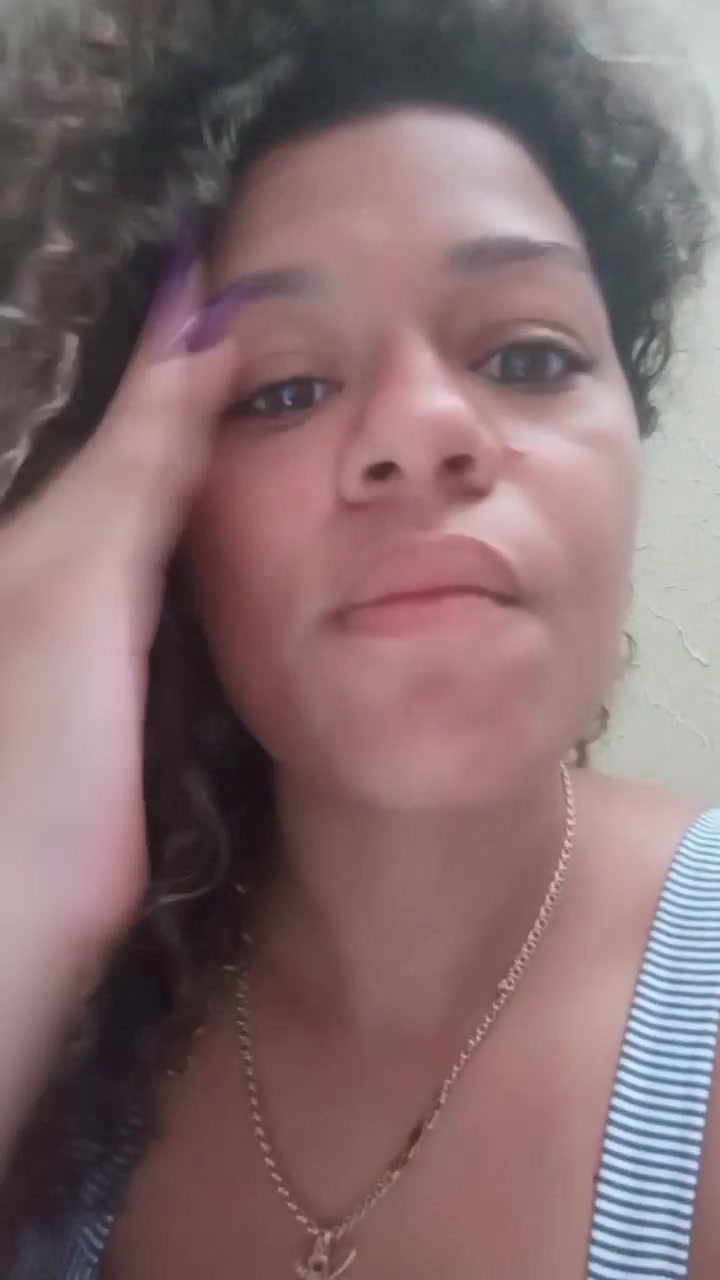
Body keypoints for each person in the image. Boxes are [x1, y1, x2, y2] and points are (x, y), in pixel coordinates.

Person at [0, 0, 717, 1275]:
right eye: (284, 387)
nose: (423, 428)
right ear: (154, 517)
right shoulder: (65, 1018)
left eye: (528, 355)